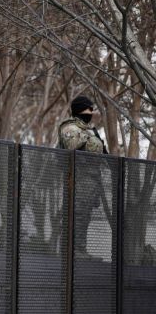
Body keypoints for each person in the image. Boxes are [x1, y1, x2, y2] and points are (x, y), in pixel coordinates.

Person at [58, 95, 107, 258]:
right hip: (77, 180)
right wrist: (89, 136)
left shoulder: (88, 130)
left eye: (92, 109)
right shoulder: (69, 128)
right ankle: (71, 251)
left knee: (84, 217)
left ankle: (80, 250)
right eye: (89, 109)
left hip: (91, 181)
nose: (91, 112)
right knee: (76, 216)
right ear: (80, 109)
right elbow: (71, 145)